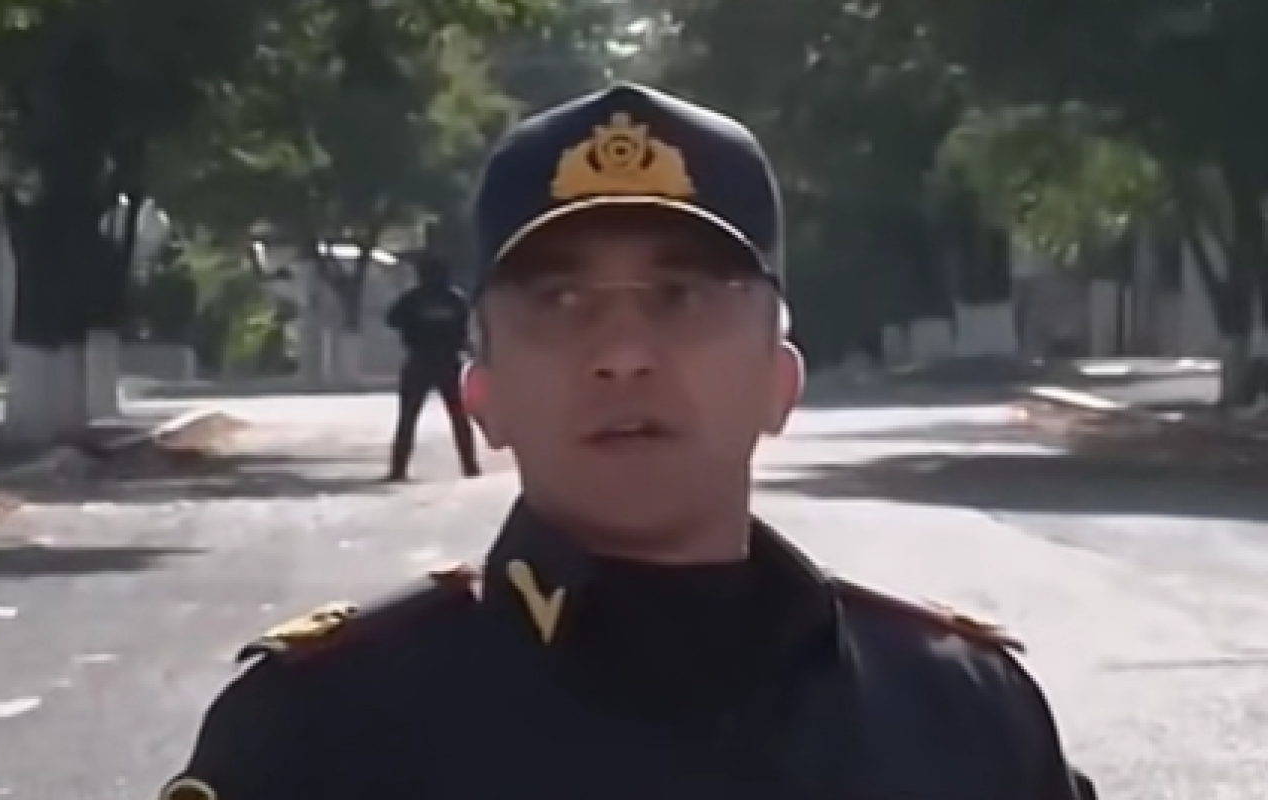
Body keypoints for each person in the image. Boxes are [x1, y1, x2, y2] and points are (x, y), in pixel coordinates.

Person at [161, 82, 1098, 800]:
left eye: (682, 295)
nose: (622, 354)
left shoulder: (964, 713)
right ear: (483, 397)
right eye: (560, 299)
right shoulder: (316, 733)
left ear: (780, 383)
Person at [383, 252, 480, 481]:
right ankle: (470, 466)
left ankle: (398, 469)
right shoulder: (454, 299)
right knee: (458, 416)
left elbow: (392, 320)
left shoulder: (413, 299)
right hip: (448, 362)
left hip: (420, 360)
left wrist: (416, 325)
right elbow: (462, 329)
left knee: (408, 418)